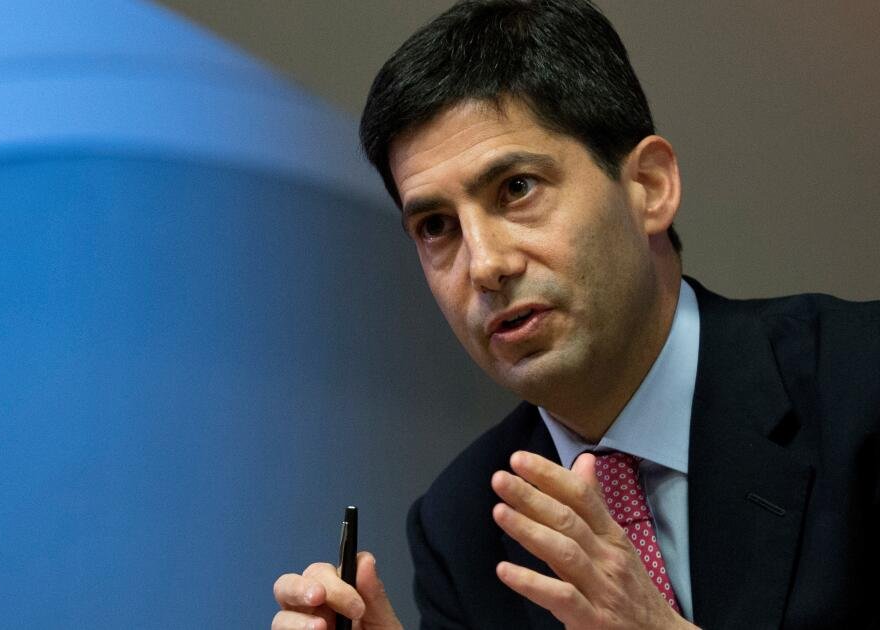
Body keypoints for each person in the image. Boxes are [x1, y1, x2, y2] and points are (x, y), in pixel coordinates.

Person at [271, 1, 880, 628]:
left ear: (650, 187)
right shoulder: (461, 527)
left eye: (517, 188)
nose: (485, 265)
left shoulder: (861, 383)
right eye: (436, 226)